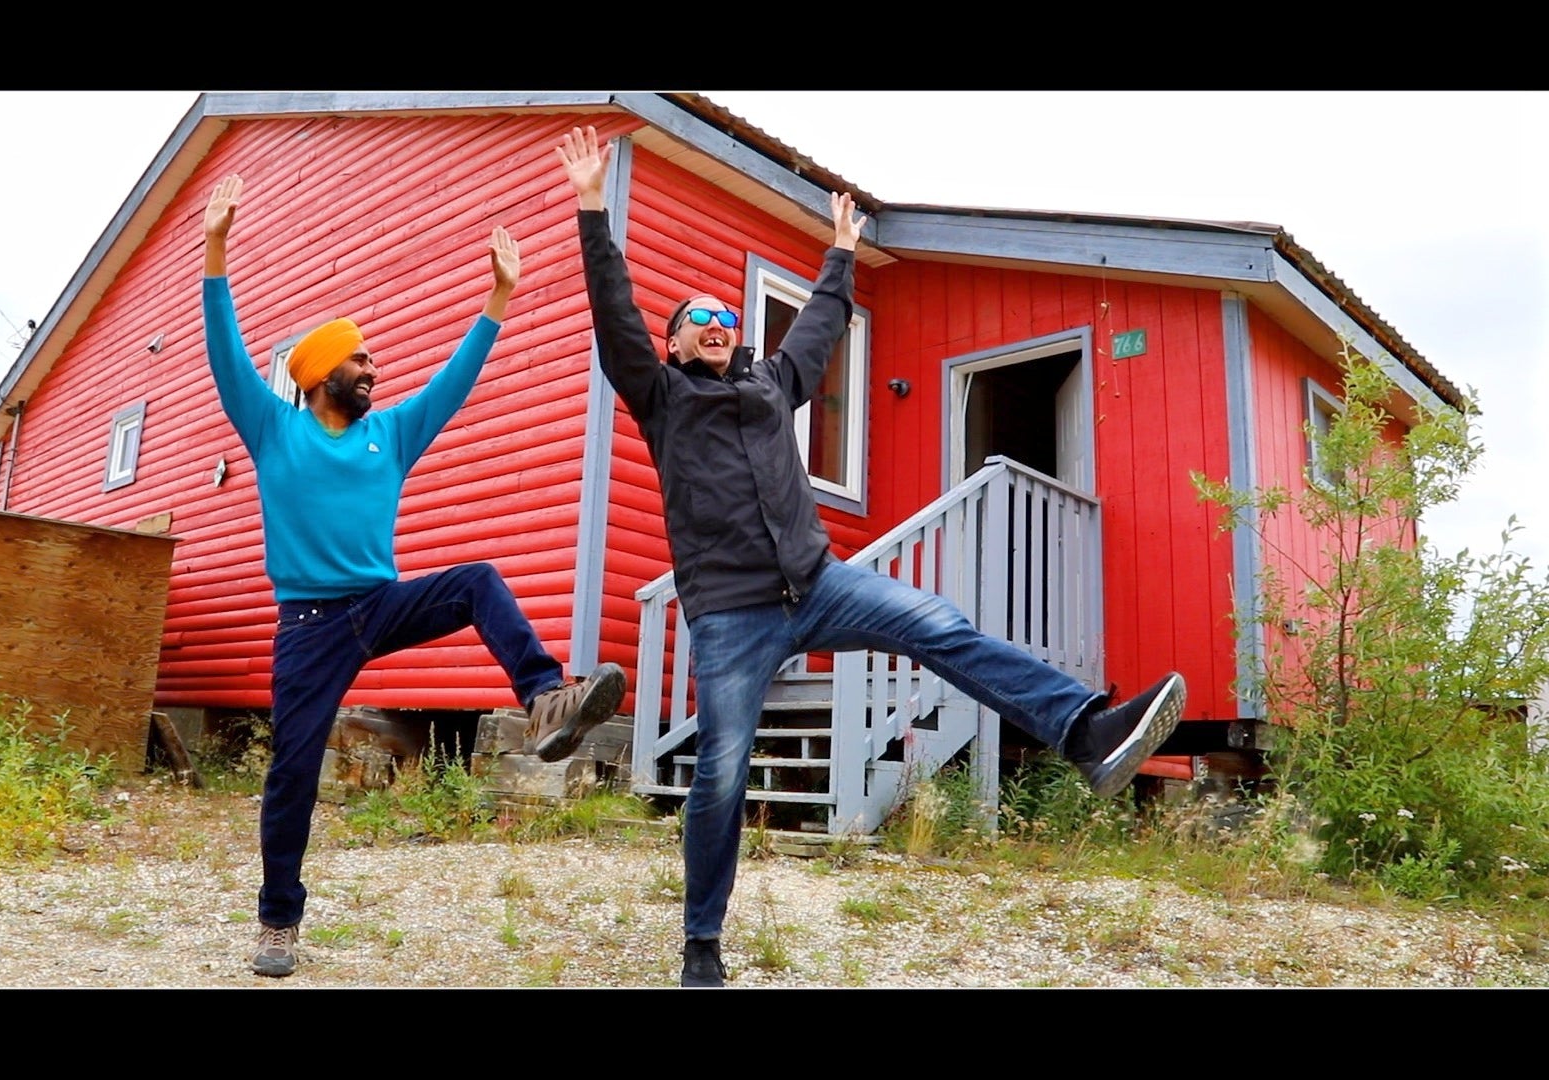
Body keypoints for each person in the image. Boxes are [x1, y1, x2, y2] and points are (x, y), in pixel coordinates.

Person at [552, 126, 1186, 988]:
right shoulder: (660, 397)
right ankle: (703, 942)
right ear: (671, 344)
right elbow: (615, 313)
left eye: (729, 318)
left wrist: (841, 256)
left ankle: (1083, 731)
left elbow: (817, 330)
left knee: (941, 624)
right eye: (700, 317)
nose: (719, 324)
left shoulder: (770, 385)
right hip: (732, 613)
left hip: (819, 583)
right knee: (722, 771)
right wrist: (594, 208)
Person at [200, 172, 627, 978]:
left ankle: (544, 701)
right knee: (292, 767)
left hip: (379, 605)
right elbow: (224, 346)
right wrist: (217, 246)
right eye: (360, 358)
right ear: (321, 373)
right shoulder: (272, 430)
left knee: (477, 580)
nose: (374, 367)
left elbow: (454, 385)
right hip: (308, 628)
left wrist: (497, 301)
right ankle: (277, 923)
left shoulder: (390, 435)